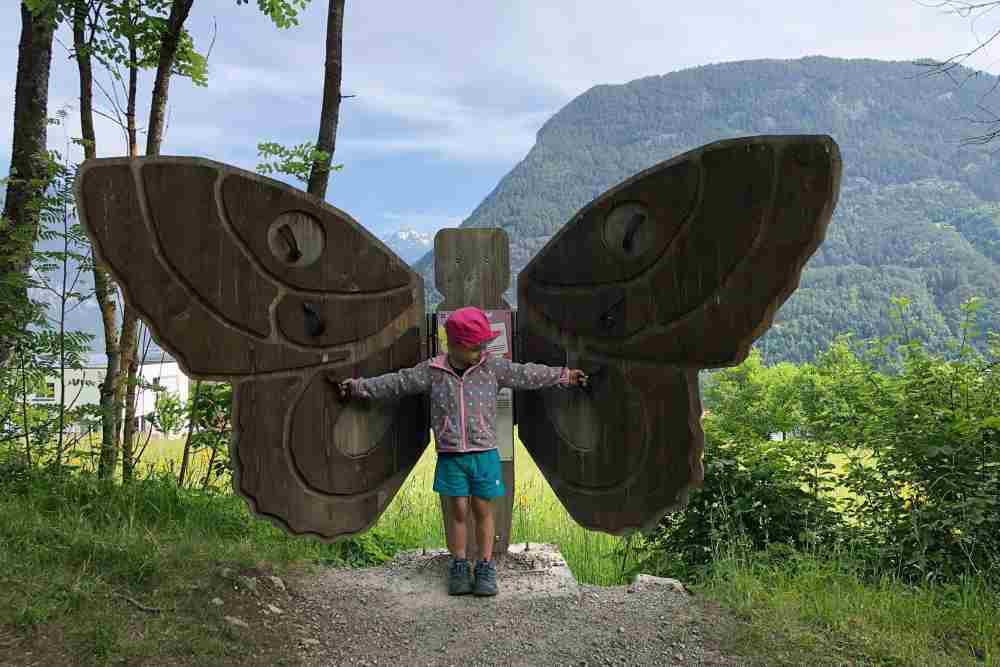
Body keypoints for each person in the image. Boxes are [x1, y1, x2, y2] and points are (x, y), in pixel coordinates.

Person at [331, 306, 587, 597]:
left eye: (483, 345)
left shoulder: (492, 367)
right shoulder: (434, 371)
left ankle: (486, 566)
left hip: (485, 455)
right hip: (451, 456)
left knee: (483, 511)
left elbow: (527, 374)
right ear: (453, 344)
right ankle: (459, 564)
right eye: (475, 347)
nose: (481, 351)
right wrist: (358, 388)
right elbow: (397, 382)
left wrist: (565, 376)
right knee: (458, 512)